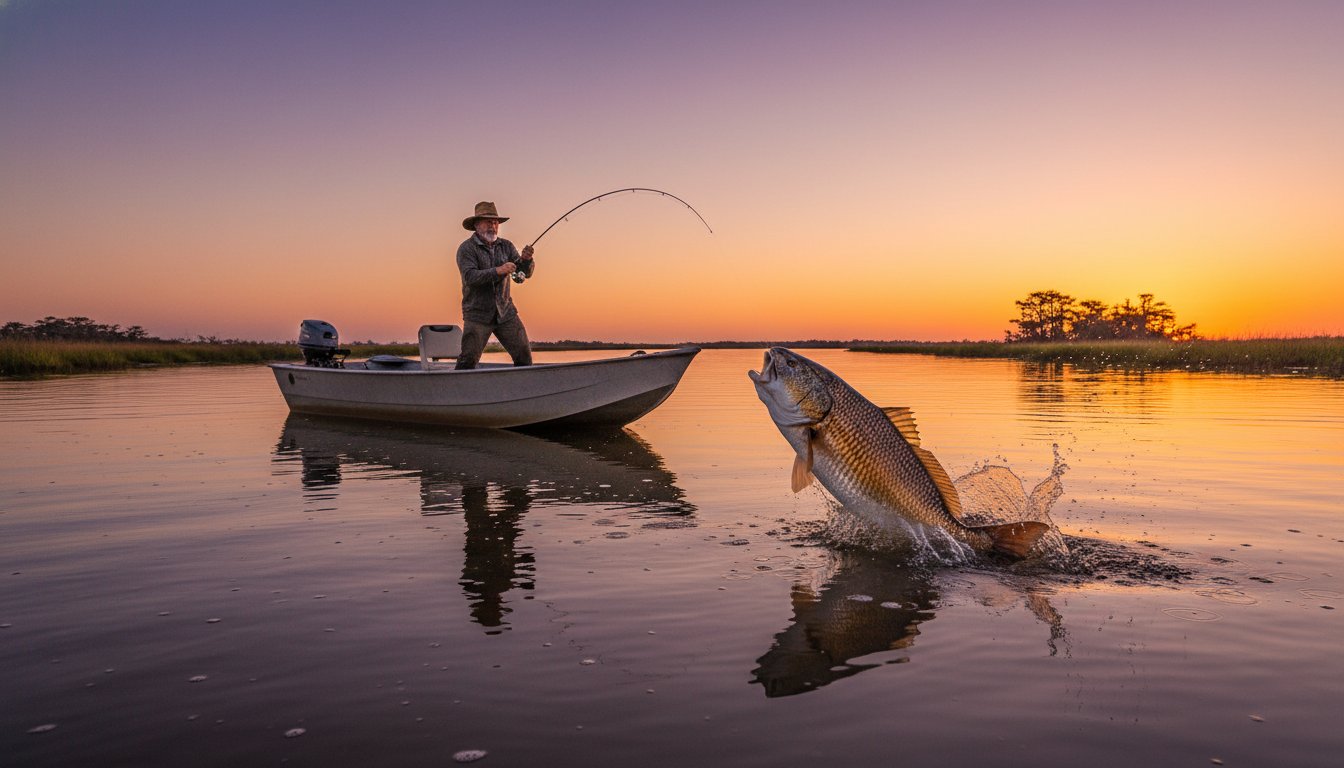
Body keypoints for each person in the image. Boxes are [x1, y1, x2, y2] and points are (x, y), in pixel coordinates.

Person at [454, 201, 535, 369]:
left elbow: (522, 275)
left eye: (495, 222)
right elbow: (470, 277)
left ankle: (521, 391)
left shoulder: (507, 246)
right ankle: (458, 391)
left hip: (506, 313)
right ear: (477, 225)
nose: (493, 225)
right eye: (488, 221)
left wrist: (526, 261)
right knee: (467, 362)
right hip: (477, 315)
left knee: (524, 357)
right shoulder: (466, 249)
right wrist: (498, 270)